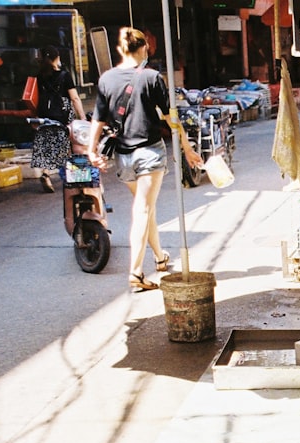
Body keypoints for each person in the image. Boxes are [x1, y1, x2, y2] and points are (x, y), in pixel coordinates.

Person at [88, 27, 202, 293]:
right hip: (149, 153)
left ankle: (160, 257)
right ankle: (136, 273)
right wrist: (186, 147)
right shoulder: (152, 77)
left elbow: (99, 118)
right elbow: (170, 117)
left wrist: (91, 149)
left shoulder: (107, 79)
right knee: (142, 210)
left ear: (120, 49)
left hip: (123, 156)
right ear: (144, 49)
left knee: (145, 207)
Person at [31, 46, 85, 193]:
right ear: (57, 58)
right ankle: (76, 176)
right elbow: (74, 97)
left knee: (50, 144)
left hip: (45, 113)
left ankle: (46, 173)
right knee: (69, 144)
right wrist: (83, 117)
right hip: (62, 114)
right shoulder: (64, 75)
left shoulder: (40, 76)